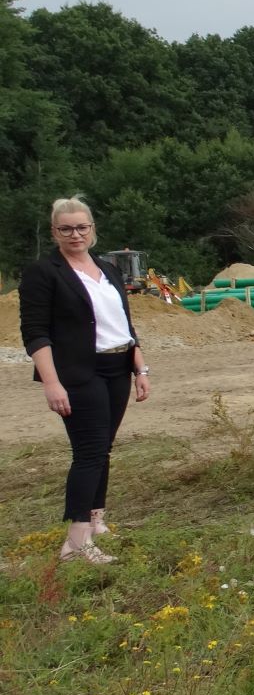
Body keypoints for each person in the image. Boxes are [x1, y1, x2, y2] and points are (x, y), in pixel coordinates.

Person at [19, 196, 150, 563]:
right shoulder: (44, 273)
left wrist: (140, 368)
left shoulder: (108, 269)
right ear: (54, 232)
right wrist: (51, 382)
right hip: (78, 372)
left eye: (81, 227)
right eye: (66, 229)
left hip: (117, 367)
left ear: (92, 230)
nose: (75, 234)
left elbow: (125, 324)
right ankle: (75, 542)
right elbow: (35, 333)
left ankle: (96, 519)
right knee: (89, 452)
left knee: (102, 447)